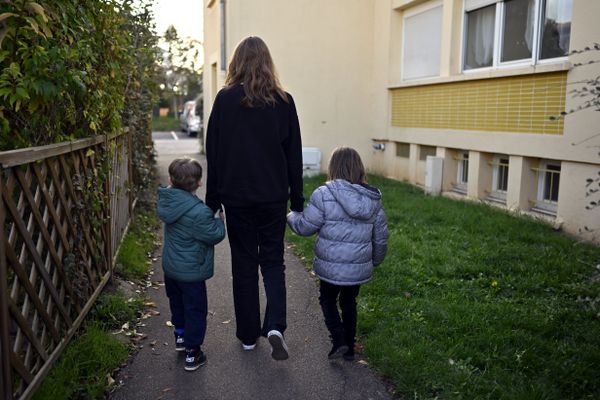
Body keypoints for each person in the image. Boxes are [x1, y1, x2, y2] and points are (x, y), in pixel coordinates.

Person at [205, 36, 304, 360]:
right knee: (273, 262)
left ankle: (248, 335)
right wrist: (298, 200)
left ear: (236, 63)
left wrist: (213, 198)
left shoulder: (224, 100)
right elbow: (294, 156)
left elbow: (214, 153)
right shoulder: (284, 101)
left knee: (244, 264)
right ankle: (275, 324)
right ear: (267, 63)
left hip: (237, 197)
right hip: (273, 197)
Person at [287, 147, 389, 361]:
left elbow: (306, 227)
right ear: (359, 168)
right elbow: (380, 236)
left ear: (333, 167)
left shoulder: (324, 194)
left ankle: (339, 339)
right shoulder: (372, 199)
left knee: (327, 299)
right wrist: (376, 260)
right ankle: (350, 348)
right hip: (358, 266)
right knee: (349, 302)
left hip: (330, 265)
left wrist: (291, 215)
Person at [157, 158, 226, 371]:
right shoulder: (199, 212)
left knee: (177, 303)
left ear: (170, 179)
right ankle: (193, 353)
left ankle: (180, 336)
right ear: (199, 183)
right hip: (191, 273)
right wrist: (219, 220)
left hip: (171, 269)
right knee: (195, 309)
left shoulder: (166, 201)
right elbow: (213, 235)